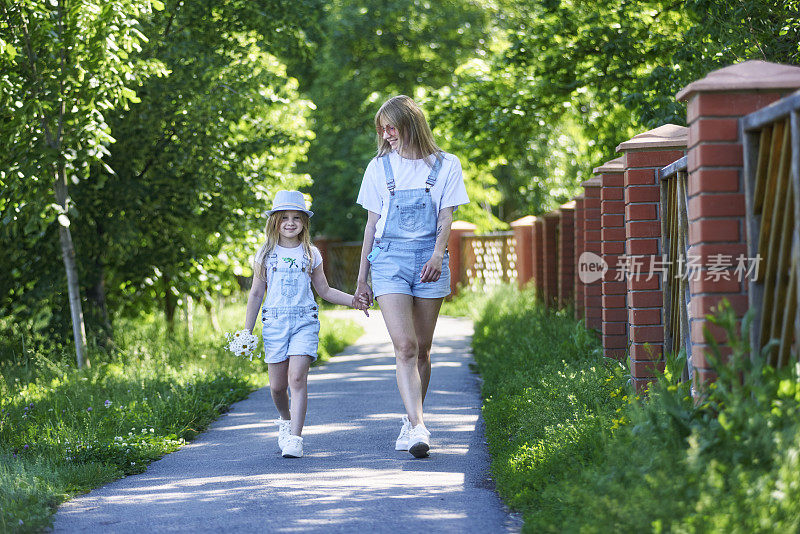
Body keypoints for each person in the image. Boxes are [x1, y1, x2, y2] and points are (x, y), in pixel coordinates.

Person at [354, 95, 469, 458]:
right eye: (382, 129)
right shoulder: (378, 168)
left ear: (411, 125)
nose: (386, 135)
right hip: (388, 260)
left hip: (429, 260)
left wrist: (438, 254)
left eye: (392, 127)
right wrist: (362, 279)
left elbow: (446, 216)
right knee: (404, 346)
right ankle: (418, 425)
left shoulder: (447, 164)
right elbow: (371, 226)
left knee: (422, 349)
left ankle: (411, 419)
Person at [243, 190, 368, 458]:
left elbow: (325, 290)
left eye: (296, 218)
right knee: (277, 387)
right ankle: (285, 420)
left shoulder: (311, 253)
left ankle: (296, 439)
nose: (290, 222)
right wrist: (247, 330)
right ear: (274, 221)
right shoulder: (265, 253)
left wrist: (354, 301)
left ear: (304, 223)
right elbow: (255, 294)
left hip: (304, 322)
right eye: (284, 217)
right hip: (274, 323)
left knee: (297, 378)